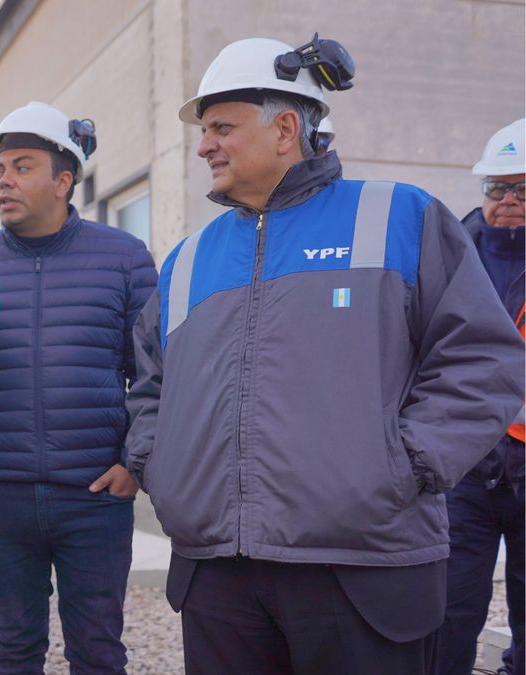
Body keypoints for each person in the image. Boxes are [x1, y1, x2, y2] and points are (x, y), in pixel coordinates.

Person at [125, 35, 525, 674]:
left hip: (362, 568)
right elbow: (150, 387)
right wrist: (159, 468)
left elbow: (483, 358)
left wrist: (404, 465)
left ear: (285, 128)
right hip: (216, 575)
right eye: (206, 131)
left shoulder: (399, 216)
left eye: (221, 127)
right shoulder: (188, 260)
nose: (204, 145)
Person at [0, 101, 156, 673]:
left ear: (63, 180)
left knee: (99, 653)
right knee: (15, 651)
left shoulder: (124, 258)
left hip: (95, 498)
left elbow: (156, 372)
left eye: (22, 166)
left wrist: (135, 462)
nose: (4, 181)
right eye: (0, 169)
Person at [437, 118, 525, 675]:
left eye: (523, 189)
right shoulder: (451, 255)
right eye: (497, 188)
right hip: (466, 460)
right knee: (449, 605)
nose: (508, 200)